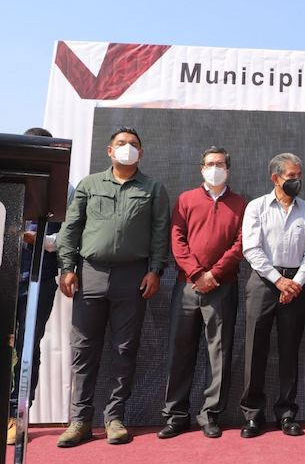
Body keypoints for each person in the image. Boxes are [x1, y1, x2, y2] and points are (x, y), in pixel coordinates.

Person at [57, 126, 170, 447]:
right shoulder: (90, 185)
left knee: (124, 350)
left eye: (133, 144)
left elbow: (160, 233)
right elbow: (71, 227)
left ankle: (114, 418)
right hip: (89, 273)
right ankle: (80, 420)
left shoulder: (153, 188)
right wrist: (67, 267)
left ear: (141, 153)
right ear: (109, 151)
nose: (127, 148)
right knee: (84, 349)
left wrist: (155, 271)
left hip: (133, 276)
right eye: (121, 143)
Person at [158, 147, 246, 440]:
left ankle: (210, 416)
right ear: (201, 168)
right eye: (210, 163)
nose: (215, 168)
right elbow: (177, 238)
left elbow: (240, 244)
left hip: (223, 286)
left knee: (219, 353)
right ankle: (176, 416)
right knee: (179, 350)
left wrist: (214, 274)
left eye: (220, 163)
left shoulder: (240, 204)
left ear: (228, 169)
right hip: (187, 285)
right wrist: (197, 273)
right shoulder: (186, 199)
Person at [239, 153, 305, 438]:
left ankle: (286, 413)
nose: (297, 181)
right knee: (255, 348)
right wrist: (278, 281)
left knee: (289, 349)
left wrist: (294, 283)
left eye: (299, 176)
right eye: (291, 176)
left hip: (297, 284)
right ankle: (252, 415)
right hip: (263, 282)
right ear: (275, 178)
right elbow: (251, 249)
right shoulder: (257, 207)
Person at [6, 128, 61, 446]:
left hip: (38, 280)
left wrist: (37, 239)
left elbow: (66, 238)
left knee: (28, 348)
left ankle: (18, 415)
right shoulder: (7, 183)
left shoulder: (63, 188)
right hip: (6, 279)